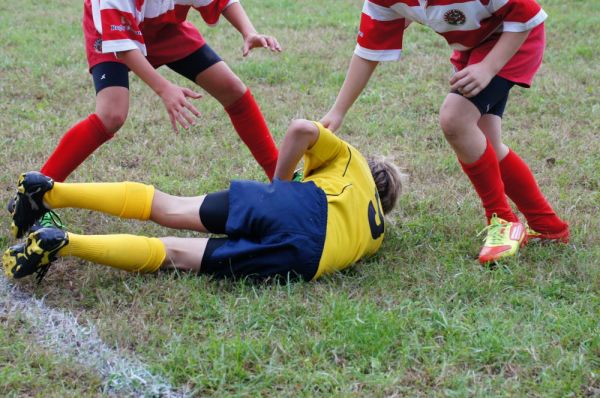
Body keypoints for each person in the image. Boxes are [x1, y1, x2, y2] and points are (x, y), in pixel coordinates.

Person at [320, 0, 569, 264]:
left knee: (455, 118)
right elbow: (369, 50)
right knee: (487, 145)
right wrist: (338, 111)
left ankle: (503, 221)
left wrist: (488, 68)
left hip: (514, 41)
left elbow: (528, 14)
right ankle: (549, 227)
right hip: (473, 50)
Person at [3, 120, 403, 283]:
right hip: (306, 256)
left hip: (300, 205)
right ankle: (65, 242)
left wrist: (280, 185)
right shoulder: (378, 234)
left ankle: (50, 190)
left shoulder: (351, 160)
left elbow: (300, 128)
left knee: (168, 207)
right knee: (173, 253)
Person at [8, 0, 282, 224]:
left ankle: (281, 180)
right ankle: (34, 194)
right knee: (112, 114)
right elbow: (124, 47)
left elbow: (221, 2)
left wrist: (248, 31)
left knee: (232, 88)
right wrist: (165, 89)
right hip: (112, 33)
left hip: (164, 28)